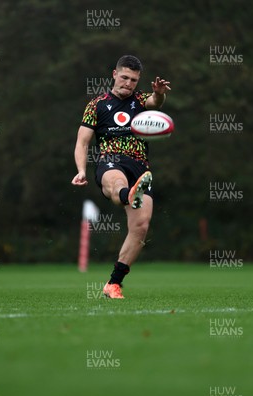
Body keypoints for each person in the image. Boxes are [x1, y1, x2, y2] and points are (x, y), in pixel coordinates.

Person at [71, 55, 171, 299]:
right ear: (114, 74)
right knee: (117, 184)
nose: (128, 83)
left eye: (134, 80)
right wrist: (81, 170)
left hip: (140, 166)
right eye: (124, 77)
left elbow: (155, 103)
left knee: (141, 226)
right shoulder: (97, 105)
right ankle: (129, 194)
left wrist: (159, 93)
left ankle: (113, 284)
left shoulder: (139, 100)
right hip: (110, 160)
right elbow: (82, 143)